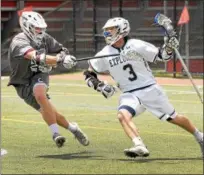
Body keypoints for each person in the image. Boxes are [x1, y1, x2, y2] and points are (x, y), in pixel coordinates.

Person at [83, 17, 203, 158]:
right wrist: (99, 86)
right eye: (106, 31)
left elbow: (162, 56)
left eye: (111, 29)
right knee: (122, 115)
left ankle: (200, 136)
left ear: (122, 29)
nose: (108, 33)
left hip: (149, 89)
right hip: (129, 93)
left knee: (174, 118)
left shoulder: (136, 45)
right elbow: (88, 73)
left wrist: (169, 47)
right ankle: (139, 145)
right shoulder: (105, 53)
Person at [7, 10, 89, 148]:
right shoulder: (19, 41)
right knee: (51, 112)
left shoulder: (46, 38)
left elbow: (61, 50)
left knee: (40, 94)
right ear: (27, 26)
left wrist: (64, 57)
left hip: (39, 74)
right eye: (37, 28)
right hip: (21, 82)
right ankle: (73, 128)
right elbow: (35, 56)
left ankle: (56, 134)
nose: (40, 31)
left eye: (42, 28)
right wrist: (58, 59)